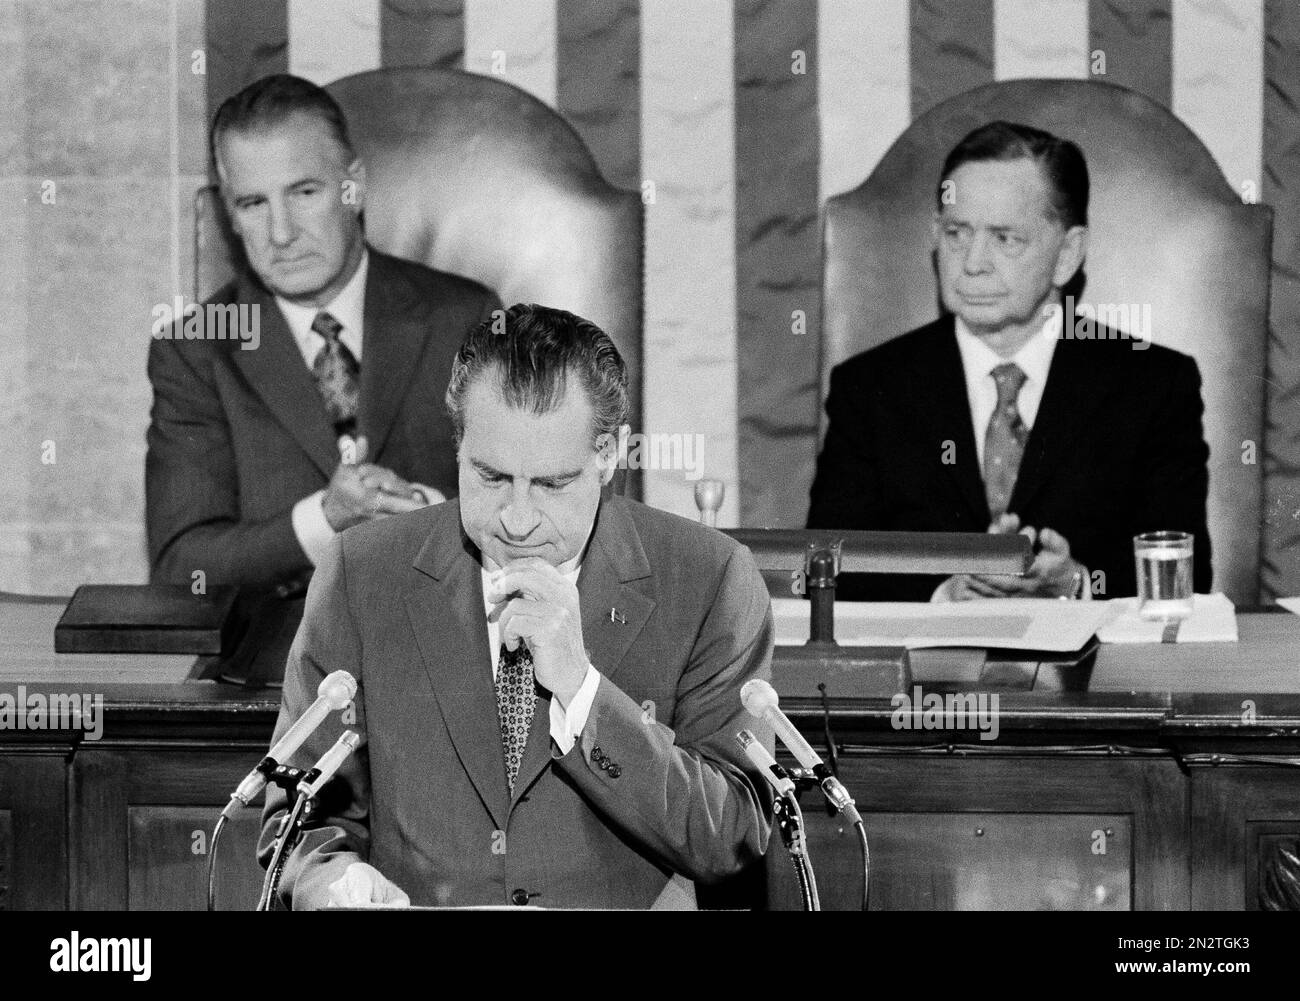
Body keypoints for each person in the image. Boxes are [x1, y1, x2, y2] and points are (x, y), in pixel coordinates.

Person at [259, 304, 775, 909]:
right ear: (458, 448)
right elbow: (298, 823)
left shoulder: (711, 579)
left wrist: (582, 692)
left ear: (609, 455)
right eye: (491, 477)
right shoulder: (361, 572)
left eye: (552, 485)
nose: (518, 520)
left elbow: (730, 835)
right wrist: (330, 884)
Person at [145, 74, 499, 678]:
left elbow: (534, 508)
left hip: (452, 666)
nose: (281, 234)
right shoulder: (196, 349)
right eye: (253, 204)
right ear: (229, 214)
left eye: (304, 192)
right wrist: (325, 518)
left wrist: (431, 512)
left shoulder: (463, 317)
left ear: (352, 187)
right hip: (269, 686)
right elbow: (184, 567)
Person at [808, 121, 1211, 602]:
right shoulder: (871, 388)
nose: (973, 261)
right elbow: (829, 570)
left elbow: (1181, 575)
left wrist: (1077, 582)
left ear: (1066, 254)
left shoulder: (1153, 387)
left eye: (1005, 238)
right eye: (957, 232)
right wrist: (944, 594)